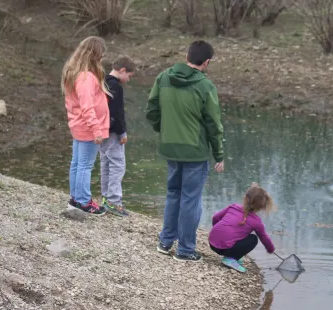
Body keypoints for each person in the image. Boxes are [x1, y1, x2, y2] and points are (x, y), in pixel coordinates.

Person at [146, 40, 225, 262]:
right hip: (194, 152)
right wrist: (219, 154)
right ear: (206, 62)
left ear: (187, 56)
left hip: (170, 148)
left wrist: (164, 131)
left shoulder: (163, 77)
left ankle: (165, 242)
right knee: (190, 199)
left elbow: (151, 110)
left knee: (173, 193)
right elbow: (214, 124)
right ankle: (185, 250)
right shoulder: (205, 86)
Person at [63, 36, 110, 215]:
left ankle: (75, 198)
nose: (102, 58)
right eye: (101, 54)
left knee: (77, 163)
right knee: (84, 165)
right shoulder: (86, 78)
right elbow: (87, 106)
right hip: (88, 128)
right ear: (94, 54)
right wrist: (97, 129)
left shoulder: (75, 73)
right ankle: (83, 201)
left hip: (79, 126)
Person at [209, 183, 276, 273]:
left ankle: (232, 255)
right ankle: (230, 259)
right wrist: (270, 249)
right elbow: (264, 237)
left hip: (211, 242)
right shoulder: (256, 222)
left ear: (245, 198)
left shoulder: (233, 207)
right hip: (224, 249)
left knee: (240, 233)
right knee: (253, 239)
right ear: (261, 207)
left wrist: (219, 232)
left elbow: (215, 218)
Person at [100, 55, 136, 217]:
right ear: (122, 70)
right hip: (113, 131)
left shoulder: (103, 81)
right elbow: (116, 112)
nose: (128, 79)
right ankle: (114, 201)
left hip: (102, 130)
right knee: (117, 165)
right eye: (129, 76)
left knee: (106, 163)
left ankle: (106, 198)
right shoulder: (115, 86)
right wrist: (122, 131)